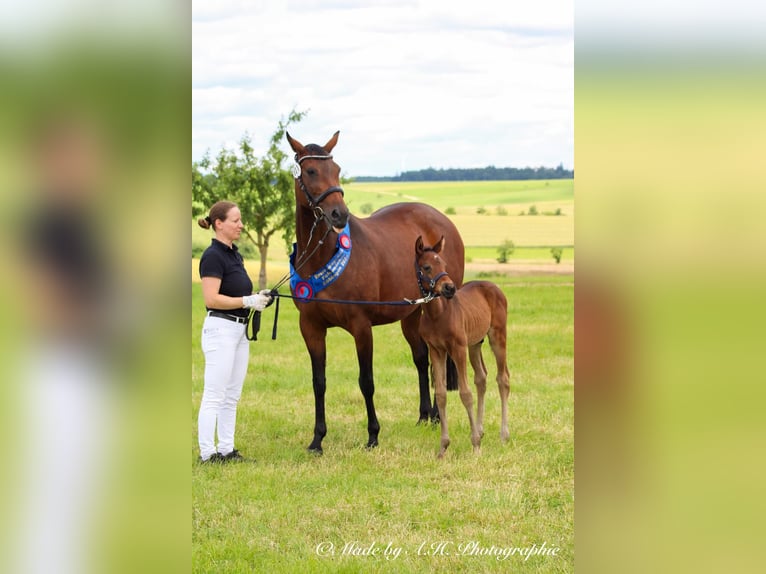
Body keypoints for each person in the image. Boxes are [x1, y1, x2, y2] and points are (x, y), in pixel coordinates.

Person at [197, 200, 272, 463]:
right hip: (220, 331)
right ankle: (208, 454)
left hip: (239, 332)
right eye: (235, 220)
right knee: (215, 394)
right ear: (219, 224)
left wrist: (257, 297)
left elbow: (238, 291)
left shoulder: (233, 254)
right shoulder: (212, 256)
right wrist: (246, 301)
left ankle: (227, 449)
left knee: (232, 395)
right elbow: (211, 299)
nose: (241, 225)